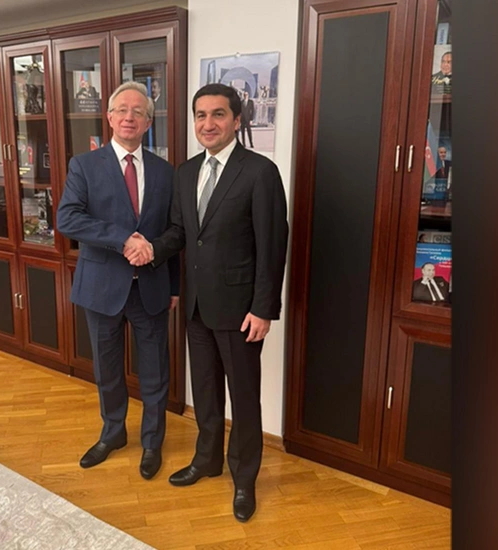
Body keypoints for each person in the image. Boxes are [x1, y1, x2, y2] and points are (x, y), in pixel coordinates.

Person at [125, 83, 288, 522]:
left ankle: (244, 479)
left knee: (244, 398)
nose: (208, 123)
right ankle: (207, 459)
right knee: (206, 391)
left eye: (218, 114)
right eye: (201, 115)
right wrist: (152, 249)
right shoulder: (186, 171)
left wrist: (264, 308)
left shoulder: (259, 172)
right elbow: (182, 233)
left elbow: (273, 244)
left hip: (241, 310)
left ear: (237, 120)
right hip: (196, 306)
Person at [56, 81, 179, 480]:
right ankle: (113, 433)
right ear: (109, 117)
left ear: (148, 122)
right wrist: (124, 239)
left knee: (155, 371)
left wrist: (173, 282)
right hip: (101, 288)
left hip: (152, 287)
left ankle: (152, 442)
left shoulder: (165, 171)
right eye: (122, 110)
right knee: (107, 369)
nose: (129, 117)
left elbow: (175, 231)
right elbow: (67, 219)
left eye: (138, 112)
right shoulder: (84, 165)